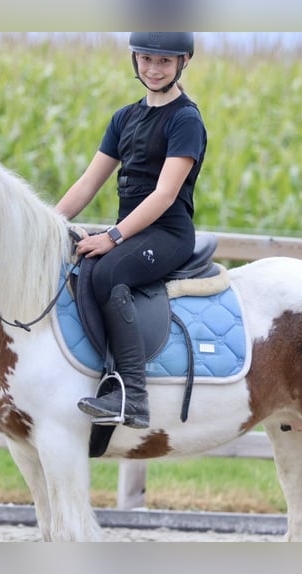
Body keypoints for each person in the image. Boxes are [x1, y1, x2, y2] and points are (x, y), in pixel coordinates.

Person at [55, 32, 207, 429]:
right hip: (134, 231)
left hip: (168, 232)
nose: (153, 70)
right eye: (146, 59)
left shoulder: (185, 120)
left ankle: (132, 396)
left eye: (164, 62)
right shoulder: (124, 117)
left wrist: (113, 237)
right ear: (135, 59)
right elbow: (88, 184)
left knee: (108, 271)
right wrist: (48, 222)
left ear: (183, 62)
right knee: (85, 265)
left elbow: (164, 194)